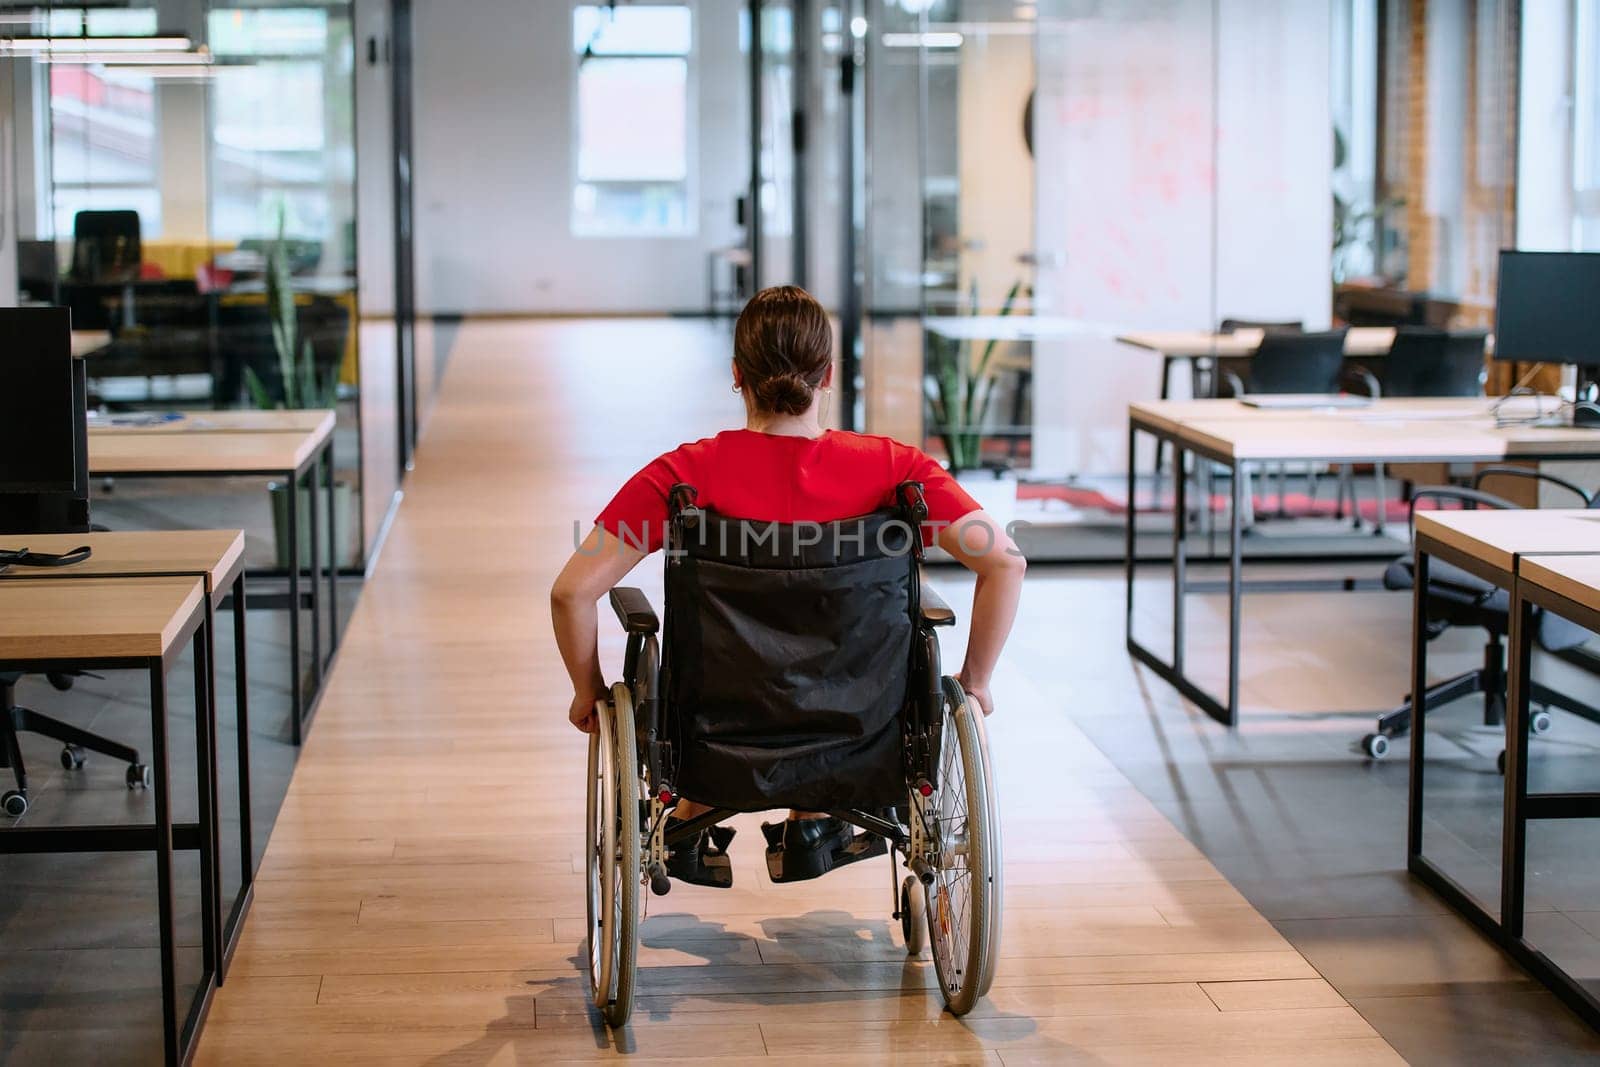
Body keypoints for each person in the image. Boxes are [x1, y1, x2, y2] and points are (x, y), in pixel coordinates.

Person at [550, 285, 1025, 886]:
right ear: (827, 375)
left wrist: (587, 691)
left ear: (736, 375)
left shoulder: (685, 477)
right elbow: (1005, 564)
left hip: (716, 744)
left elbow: (571, 593)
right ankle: (814, 818)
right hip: (862, 739)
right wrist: (976, 682)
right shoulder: (895, 472)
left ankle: (695, 814)